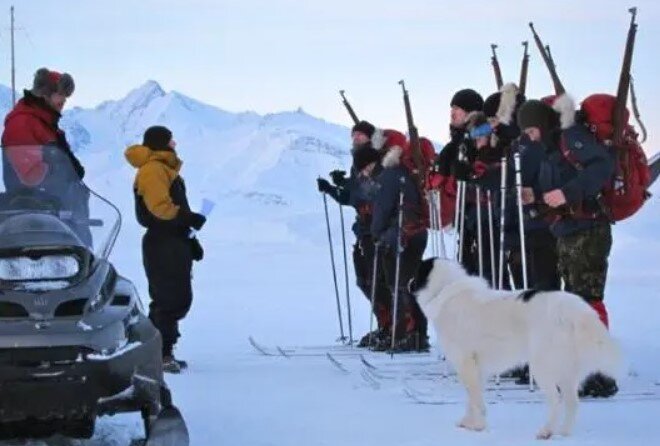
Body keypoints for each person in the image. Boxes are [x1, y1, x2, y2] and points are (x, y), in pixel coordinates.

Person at [516, 96, 618, 397]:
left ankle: (600, 373)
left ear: (541, 124)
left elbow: (602, 165)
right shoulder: (552, 148)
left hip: (587, 231)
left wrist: (567, 193)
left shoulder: (571, 137)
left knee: (587, 300)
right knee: (577, 302)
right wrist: (536, 196)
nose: (530, 137)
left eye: (531, 130)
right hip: (568, 231)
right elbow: (558, 188)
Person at [125, 126, 206, 373]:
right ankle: (158, 354)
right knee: (168, 300)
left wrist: (190, 240)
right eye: (171, 140)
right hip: (162, 242)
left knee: (176, 298)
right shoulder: (153, 169)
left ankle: (161, 351)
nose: (175, 144)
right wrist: (188, 218)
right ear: (162, 143)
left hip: (172, 241)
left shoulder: (163, 169)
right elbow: (160, 208)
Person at [317, 120, 394, 349]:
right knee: (367, 280)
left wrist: (342, 187)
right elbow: (355, 195)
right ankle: (386, 325)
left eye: (360, 136)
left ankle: (393, 327)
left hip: (377, 230)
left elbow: (367, 192)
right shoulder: (359, 163)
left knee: (377, 280)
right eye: (354, 136)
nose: (355, 140)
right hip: (365, 230)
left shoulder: (378, 162)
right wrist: (338, 187)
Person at [1, 67, 90, 245]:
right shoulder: (23, 123)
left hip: (61, 216)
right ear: (44, 94)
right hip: (38, 220)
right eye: (60, 94)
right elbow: (29, 177)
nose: (64, 100)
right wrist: (55, 164)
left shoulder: (47, 125)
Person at [371, 131, 430, 352]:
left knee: (399, 284)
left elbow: (383, 208)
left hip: (398, 235)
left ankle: (405, 335)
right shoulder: (411, 172)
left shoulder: (391, 174)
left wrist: (377, 232)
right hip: (418, 233)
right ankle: (418, 335)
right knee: (410, 283)